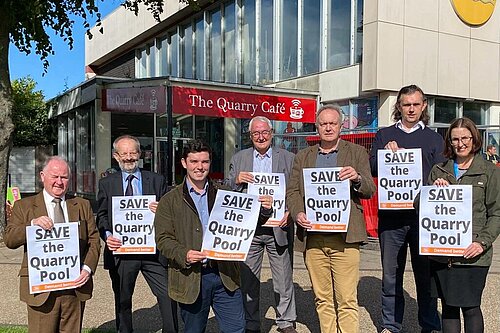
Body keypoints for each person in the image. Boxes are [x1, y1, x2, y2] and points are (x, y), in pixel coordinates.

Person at [154, 139, 274, 333]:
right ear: (184, 163)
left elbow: (246, 225)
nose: (200, 167)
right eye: (194, 162)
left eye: (205, 162)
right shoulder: (170, 200)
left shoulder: (225, 193)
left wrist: (265, 211)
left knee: (236, 329)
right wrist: (184, 254)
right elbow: (163, 239)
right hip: (191, 277)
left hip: (225, 275)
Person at [287, 104, 376, 333]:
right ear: (317, 127)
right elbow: (293, 192)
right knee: (322, 299)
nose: (328, 128)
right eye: (323, 124)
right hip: (314, 240)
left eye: (332, 123)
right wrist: (298, 214)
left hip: (345, 239)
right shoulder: (304, 156)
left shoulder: (356, 153)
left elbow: (369, 189)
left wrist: (356, 178)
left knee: (347, 299)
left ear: (341, 126)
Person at [369, 84, 444, 333]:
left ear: (424, 106)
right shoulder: (383, 135)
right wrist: (388, 157)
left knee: (426, 277)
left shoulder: (434, 139)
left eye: (415, 104)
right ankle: (391, 325)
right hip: (391, 219)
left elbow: (441, 173)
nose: (411, 109)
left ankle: (430, 325)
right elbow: (372, 168)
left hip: (424, 219)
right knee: (391, 276)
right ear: (398, 107)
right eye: (406, 104)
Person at [4, 156, 101, 333]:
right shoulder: (24, 206)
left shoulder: (81, 205)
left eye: (64, 177)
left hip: (74, 287)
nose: (59, 182)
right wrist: (31, 225)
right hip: (41, 289)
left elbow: (94, 240)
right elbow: (9, 239)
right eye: (54, 176)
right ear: (42, 176)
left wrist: (87, 269)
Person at [96, 135, 178, 333]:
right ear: (116, 156)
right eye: (124, 154)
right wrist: (107, 236)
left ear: (139, 154)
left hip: (154, 252)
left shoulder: (157, 180)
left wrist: (162, 211)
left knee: (167, 295)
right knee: (123, 300)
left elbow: (171, 213)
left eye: (133, 153)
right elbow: (102, 215)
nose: (129, 158)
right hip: (122, 252)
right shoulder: (107, 183)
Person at [426, 117, 500, 333]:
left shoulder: (489, 171)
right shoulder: (439, 169)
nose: (460, 143)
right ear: (449, 142)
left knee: (470, 307)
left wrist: (482, 242)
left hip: (473, 254)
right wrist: (433, 190)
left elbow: (496, 213)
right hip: (443, 253)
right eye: (455, 139)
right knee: (448, 306)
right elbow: (419, 205)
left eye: (465, 138)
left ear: (474, 139)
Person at [226, 116, 297, 333]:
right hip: (249, 229)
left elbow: (297, 191)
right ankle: (251, 323)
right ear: (250, 136)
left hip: (279, 226)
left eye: (264, 132)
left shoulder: (288, 158)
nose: (261, 136)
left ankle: (285, 322)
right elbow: (227, 191)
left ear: (272, 133)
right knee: (248, 280)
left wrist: (291, 212)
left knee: (283, 279)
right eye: (256, 133)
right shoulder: (239, 158)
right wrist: (236, 181)